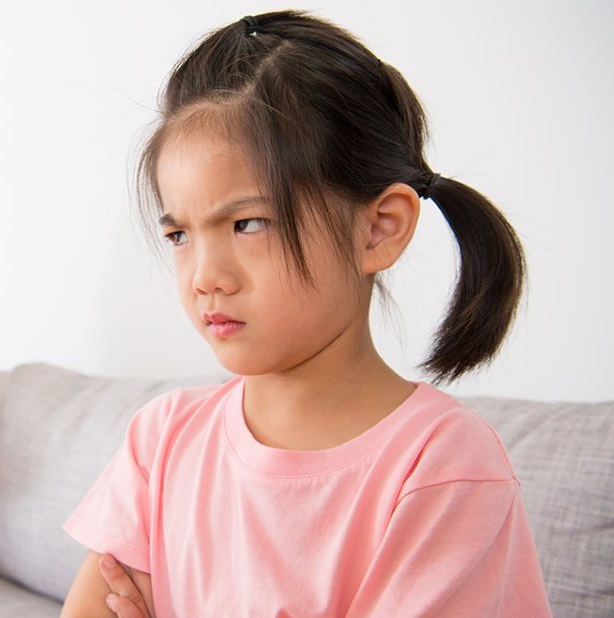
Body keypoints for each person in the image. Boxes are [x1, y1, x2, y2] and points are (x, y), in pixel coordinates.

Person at [61, 11, 551, 617]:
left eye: (248, 224)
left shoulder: (442, 465)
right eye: (180, 235)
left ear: (379, 228)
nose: (205, 277)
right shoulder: (161, 440)